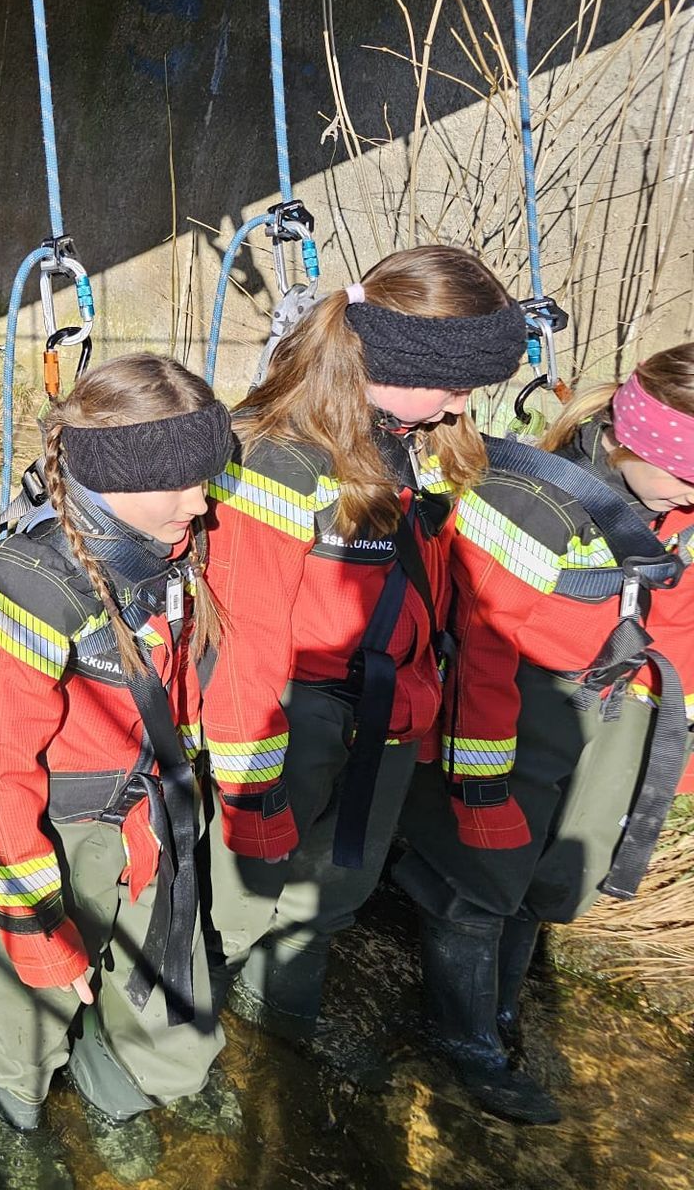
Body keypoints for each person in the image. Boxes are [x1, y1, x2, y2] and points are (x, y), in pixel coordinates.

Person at [199, 244, 525, 1052]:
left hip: (388, 719)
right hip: (292, 723)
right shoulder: (279, 459)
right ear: (395, 362)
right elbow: (246, 642)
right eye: (454, 384)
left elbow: (446, 594)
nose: (461, 406)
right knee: (233, 910)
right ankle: (184, 1052)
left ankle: (280, 1037)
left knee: (330, 900)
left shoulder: (425, 445)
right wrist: (249, 795)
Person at [0, 353, 236, 1187]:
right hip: (53, 830)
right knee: (26, 998)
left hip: (147, 815)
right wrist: (36, 924)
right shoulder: (30, 584)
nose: (201, 502)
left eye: (204, 480)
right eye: (179, 484)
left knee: (155, 964)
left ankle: (118, 1082)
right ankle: (14, 1101)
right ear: (110, 477)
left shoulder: (166, 541)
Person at [393, 344, 694, 1123]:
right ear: (631, 440)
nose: (693, 493)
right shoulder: (529, 503)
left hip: (612, 701)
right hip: (515, 705)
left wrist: (672, 756)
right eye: (686, 476)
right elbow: (481, 651)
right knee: (478, 876)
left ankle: (500, 1006)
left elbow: (681, 626)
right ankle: (464, 1039)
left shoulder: (674, 506)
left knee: (553, 870)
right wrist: (479, 788)